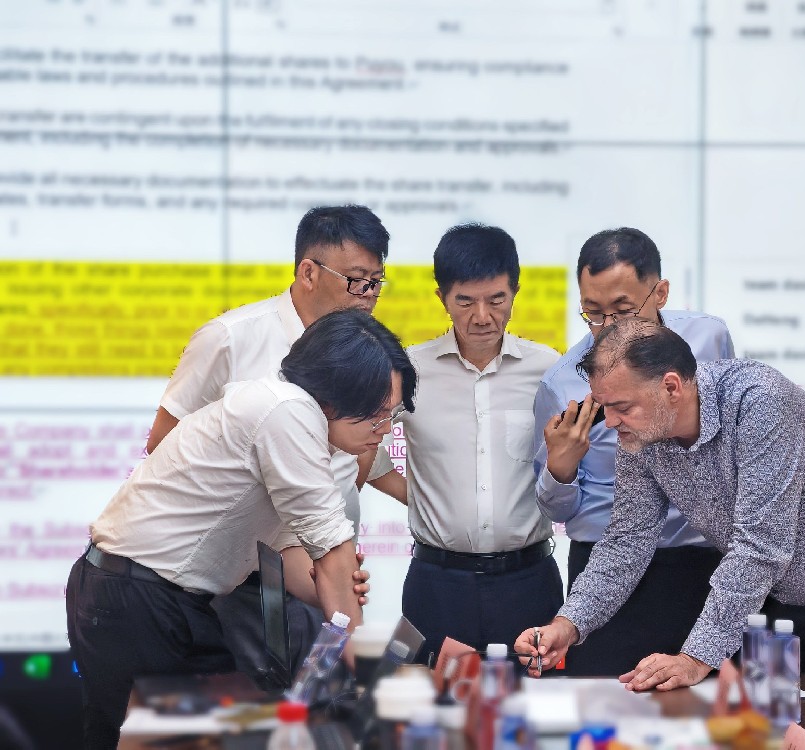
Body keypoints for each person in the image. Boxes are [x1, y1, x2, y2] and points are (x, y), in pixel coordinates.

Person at [67, 310, 418, 750]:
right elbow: (330, 544)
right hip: (139, 598)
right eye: (377, 416)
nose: (384, 432)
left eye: (392, 416)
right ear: (332, 399)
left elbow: (288, 548)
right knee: (165, 740)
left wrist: (327, 587)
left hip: (149, 597)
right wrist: (366, 669)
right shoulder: (287, 411)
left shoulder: (293, 420)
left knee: (186, 736)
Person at [517, 320, 805, 690]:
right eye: (604, 406)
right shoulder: (640, 436)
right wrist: (568, 624)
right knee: (779, 721)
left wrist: (695, 658)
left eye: (622, 407)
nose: (610, 422)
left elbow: (760, 546)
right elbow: (627, 540)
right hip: (781, 589)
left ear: (671, 387)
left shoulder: (757, 401)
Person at [145, 205, 403, 680]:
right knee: (236, 706)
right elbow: (164, 445)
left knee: (312, 707)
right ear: (308, 272)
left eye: (376, 282)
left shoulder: (362, 353)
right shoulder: (231, 339)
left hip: (315, 578)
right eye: (356, 281)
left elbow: (361, 462)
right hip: (232, 584)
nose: (368, 296)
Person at [533, 227, 733, 676]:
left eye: (622, 311)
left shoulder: (709, 339)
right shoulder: (562, 383)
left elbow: (727, 436)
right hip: (605, 567)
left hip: (703, 562)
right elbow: (557, 508)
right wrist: (560, 470)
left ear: (659, 293)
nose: (608, 328)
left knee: (712, 705)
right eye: (592, 313)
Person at [400, 224, 563, 662]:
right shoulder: (409, 370)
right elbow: (361, 442)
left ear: (515, 293)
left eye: (496, 300)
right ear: (442, 298)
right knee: (430, 700)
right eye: (465, 301)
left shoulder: (548, 369)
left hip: (529, 581)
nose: (482, 316)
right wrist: (419, 496)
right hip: (436, 583)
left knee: (535, 699)